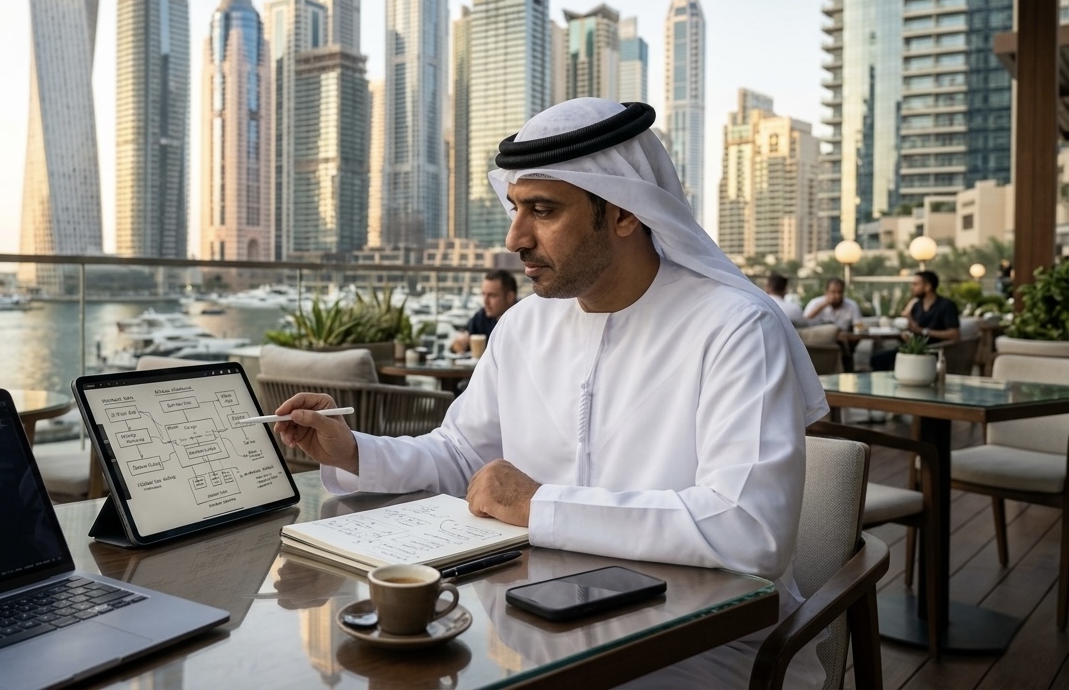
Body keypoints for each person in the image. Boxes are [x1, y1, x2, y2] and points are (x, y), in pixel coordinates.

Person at [273, 98, 828, 685]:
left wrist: (538, 505)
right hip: (533, 627)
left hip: (700, 649)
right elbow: (462, 455)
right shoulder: (522, 326)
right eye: (516, 208)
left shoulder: (736, 327)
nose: (515, 237)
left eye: (543, 210)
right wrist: (355, 451)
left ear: (624, 212)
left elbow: (749, 529)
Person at [870, 270, 961, 371]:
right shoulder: (917, 306)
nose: (912, 287)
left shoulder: (946, 305)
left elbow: (954, 334)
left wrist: (923, 331)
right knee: (877, 358)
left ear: (928, 286)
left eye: (916, 284)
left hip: (933, 351)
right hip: (913, 349)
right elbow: (914, 328)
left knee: (882, 360)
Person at [450, 269, 518, 354]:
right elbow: (459, 345)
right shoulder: (482, 317)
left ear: (510, 297)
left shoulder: (524, 319)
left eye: (492, 295)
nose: (485, 301)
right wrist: (458, 344)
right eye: (483, 294)